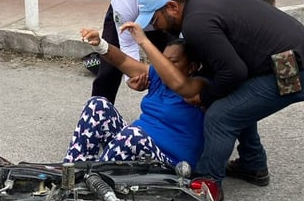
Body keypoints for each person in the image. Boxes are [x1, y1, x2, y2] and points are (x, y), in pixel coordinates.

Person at [121, 0, 304, 199]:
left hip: (295, 70)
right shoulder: (201, 9)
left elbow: (235, 72)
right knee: (238, 102)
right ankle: (253, 164)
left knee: (221, 115)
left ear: (172, 7)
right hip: (292, 58)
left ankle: (208, 186)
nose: (155, 26)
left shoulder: (195, 24)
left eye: (155, 19)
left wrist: (205, 96)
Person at [66, 32, 206, 168]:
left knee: (132, 134)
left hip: (169, 161)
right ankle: (73, 170)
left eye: (173, 62)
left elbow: (185, 86)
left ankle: (92, 179)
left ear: (192, 67)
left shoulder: (198, 85)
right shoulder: (159, 77)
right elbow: (123, 61)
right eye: (164, 61)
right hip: (135, 145)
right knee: (97, 105)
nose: (165, 67)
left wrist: (143, 41)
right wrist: (100, 44)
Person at [91, 0, 200, 104]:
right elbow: (127, 44)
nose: (154, 24)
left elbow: (187, 38)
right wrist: (132, 77)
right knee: (109, 69)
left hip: (170, 18)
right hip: (132, 17)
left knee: (175, 64)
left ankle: (174, 112)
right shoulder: (124, 0)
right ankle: (99, 114)